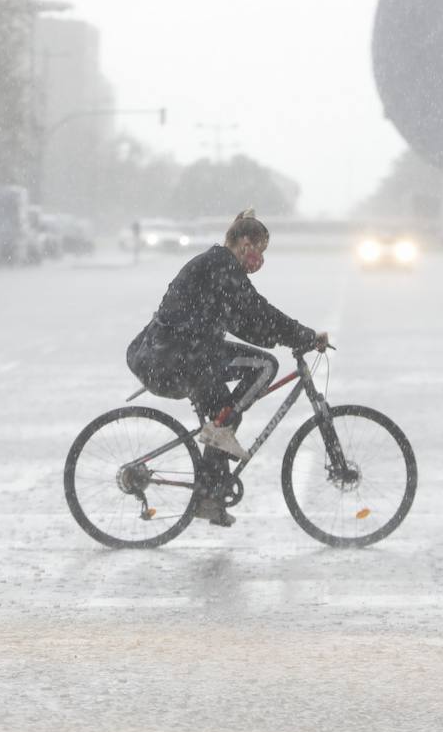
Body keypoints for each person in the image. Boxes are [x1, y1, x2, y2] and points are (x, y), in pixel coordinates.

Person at [126, 209, 329, 527]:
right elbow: (257, 310)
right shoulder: (221, 264)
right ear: (245, 243)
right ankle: (216, 445)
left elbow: (249, 325)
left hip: (179, 356)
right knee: (264, 367)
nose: (260, 258)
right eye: (259, 249)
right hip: (173, 356)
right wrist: (303, 335)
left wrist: (291, 338)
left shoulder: (221, 268)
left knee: (227, 413)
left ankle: (209, 496)